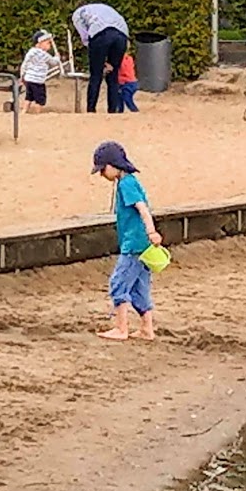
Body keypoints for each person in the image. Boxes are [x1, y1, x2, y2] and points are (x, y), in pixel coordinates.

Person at [93, 140, 161, 341]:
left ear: (113, 165)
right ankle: (147, 328)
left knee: (119, 282)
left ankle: (121, 328)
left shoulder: (126, 184)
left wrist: (151, 231)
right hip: (141, 244)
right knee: (140, 285)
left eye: (102, 169)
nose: (101, 174)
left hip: (134, 244)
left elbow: (142, 208)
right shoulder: (130, 181)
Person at [71, 2, 129, 113]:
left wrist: (94, 52)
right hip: (122, 35)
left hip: (101, 34)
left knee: (96, 75)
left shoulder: (78, 13)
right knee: (113, 73)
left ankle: (91, 109)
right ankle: (113, 109)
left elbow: (84, 35)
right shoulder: (104, 7)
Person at [19, 29, 62, 113]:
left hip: (29, 79)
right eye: (47, 43)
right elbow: (53, 62)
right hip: (38, 80)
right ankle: (37, 112)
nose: (49, 45)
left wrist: (22, 75)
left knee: (29, 96)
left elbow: (25, 64)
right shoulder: (44, 55)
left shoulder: (30, 52)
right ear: (39, 44)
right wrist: (57, 57)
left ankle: (24, 110)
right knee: (40, 98)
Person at [117, 48, 140, 112]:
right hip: (131, 82)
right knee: (120, 97)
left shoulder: (123, 60)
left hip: (127, 83)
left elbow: (123, 70)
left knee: (126, 98)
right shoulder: (129, 58)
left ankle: (134, 110)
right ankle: (120, 110)